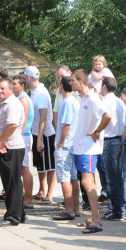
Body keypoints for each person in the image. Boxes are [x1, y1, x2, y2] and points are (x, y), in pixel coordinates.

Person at [72, 68, 109, 234]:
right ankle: (94, 217)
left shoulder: (92, 98)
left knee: (88, 182)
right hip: (81, 147)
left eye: (73, 80)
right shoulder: (83, 99)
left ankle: (96, 220)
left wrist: (97, 132)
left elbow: (107, 116)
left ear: (81, 81)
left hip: (89, 148)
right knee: (87, 182)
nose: (71, 83)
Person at [0, 77, 26, 225]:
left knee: (12, 183)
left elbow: (12, 125)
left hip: (10, 148)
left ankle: (12, 217)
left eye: (3, 88)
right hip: (6, 148)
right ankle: (19, 214)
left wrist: (2, 140)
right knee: (11, 182)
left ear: (11, 89)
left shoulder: (12, 104)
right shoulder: (5, 103)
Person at [25, 66, 56, 203]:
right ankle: (42, 191)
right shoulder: (34, 92)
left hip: (45, 134)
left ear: (29, 77)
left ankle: (49, 194)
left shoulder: (42, 93)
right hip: (36, 133)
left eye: (25, 77)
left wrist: (39, 139)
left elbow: (44, 118)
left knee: (49, 165)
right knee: (40, 165)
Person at [53, 75, 80, 221]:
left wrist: (60, 143)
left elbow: (66, 125)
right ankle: (75, 208)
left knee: (65, 178)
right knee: (73, 177)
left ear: (61, 86)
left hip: (66, 145)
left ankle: (69, 209)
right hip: (74, 144)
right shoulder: (75, 101)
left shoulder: (67, 102)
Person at [99, 76, 126, 221]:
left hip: (109, 140)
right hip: (119, 140)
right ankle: (120, 207)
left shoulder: (105, 101)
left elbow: (104, 118)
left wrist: (97, 131)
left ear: (104, 86)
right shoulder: (120, 101)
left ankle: (117, 210)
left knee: (112, 178)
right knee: (118, 177)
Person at [11, 74, 36, 215]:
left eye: (15, 84)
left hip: (23, 136)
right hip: (21, 136)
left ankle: (28, 200)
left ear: (22, 85)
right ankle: (25, 198)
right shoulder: (18, 98)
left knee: (25, 168)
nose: (13, 86)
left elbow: (23, 120)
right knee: (22, 168)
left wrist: (17, 136)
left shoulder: (23, 99)